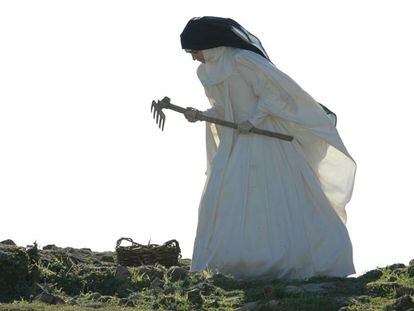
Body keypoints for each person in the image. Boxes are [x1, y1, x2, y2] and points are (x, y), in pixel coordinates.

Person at [180, 16, 356, 280]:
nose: (193, 58)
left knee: (274, 197)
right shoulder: (204, 72)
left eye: (194, 51)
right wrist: (200, 114)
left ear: (209, 46)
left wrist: (254, 120)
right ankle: (234, 264)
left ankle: (290, 260)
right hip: (236, 143)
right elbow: (222, 109)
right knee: (226, 200)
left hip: (266, 139)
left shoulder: (243, 61)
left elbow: (274, 93)